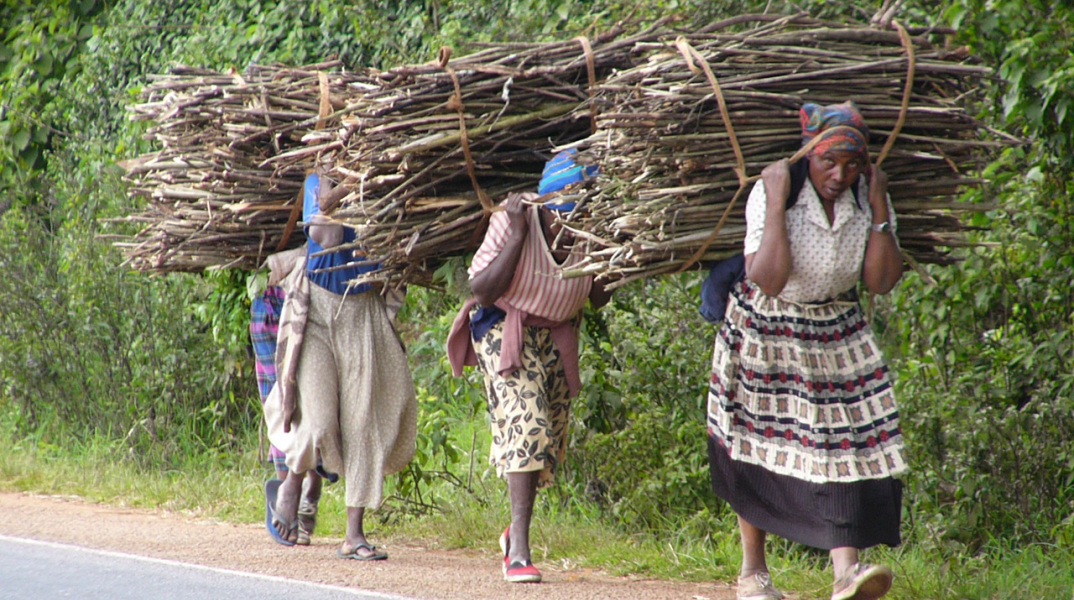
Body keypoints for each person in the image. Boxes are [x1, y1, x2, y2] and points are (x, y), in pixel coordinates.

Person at [706, 101, 906, 600]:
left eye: (852, 164)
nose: (841, 174)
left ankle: (846, 573)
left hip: (836, 330)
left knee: (847, 445)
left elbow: (880, 281)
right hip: (766, 328)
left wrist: (880, 208)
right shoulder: (775, 193)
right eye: (829, 162)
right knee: (755, 444)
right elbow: (769, 279)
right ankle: (753, 573)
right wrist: (775, 202)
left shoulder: (866, 197)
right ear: (808, 156)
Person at [447, 149, 612, 583]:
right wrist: (519, 235)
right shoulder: (512, 218)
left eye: (575, 214)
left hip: (557, 331)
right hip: (505, 324)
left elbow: (599, 297)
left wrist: (609, 251)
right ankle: (518, 550)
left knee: (547, 444)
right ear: (544, 204)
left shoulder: (592, 229)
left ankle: (513, 534)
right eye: (560, 214)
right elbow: (482, 290)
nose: (566, 224)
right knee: (529, 423)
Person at [264, 169, 417, 560]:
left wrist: (372, 182)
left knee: (363, 420)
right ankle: (292, 482)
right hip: (314, 310)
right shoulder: (318, 182)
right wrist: (343, 185)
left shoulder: (386, 180)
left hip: (361, 310)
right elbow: (327, 237)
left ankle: (353, 534)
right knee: (318, 419)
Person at [250, 246, 324, 546]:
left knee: (318, 401)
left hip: (314, 296)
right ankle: (289, 494)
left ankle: (310, 490)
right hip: (271, 302)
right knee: (281, 404)